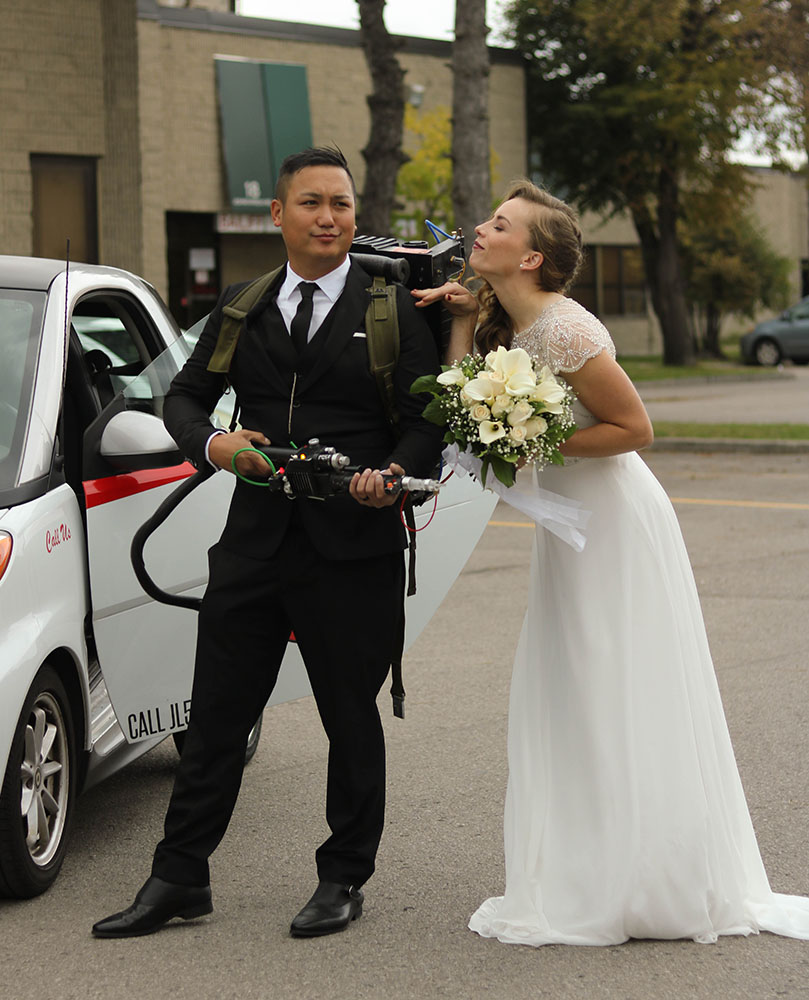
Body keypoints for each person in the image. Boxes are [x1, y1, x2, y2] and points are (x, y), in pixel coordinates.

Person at [412, 180, 809, 946]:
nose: (479, 229)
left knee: (618, 685)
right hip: (573, 532)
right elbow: (462, 411)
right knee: (576, 690)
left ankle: (649, 880)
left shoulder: (564, 330)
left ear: (530, 256)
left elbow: (634, 426)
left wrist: (531, 444)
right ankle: (595, 867)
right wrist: (462, 326)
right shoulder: (513, 325)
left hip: (617, 525)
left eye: (497, 225)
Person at [92, 146, 443, 939]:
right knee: (215, 719)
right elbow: (183, 396)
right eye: (313, 203)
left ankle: (343, 876)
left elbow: (429, 419)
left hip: (352, 547)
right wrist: (213, 447)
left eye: (343, 205)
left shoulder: (390, 308)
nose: (330, 218)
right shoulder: (244, 304)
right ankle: (179, 876)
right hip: (252, 545)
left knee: (348, 717)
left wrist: (392, 472)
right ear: (277, 215)